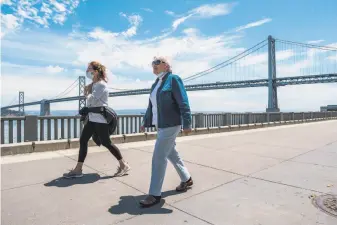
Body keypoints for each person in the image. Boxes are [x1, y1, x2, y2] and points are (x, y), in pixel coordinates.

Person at [139, 56, 193, 208]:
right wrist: (145, 121)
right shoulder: (156, 83)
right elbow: (151, 106)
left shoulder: (173, 79)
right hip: (161, 125)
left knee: (158, 157)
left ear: (167, 65)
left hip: (171, 124)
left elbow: (183, 102)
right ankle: (186, 178)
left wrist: (187, 123)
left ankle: (154, 194)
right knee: (171, 153)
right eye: (152, 63)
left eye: (157, 62)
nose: (154, 65)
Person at [63, 61, 131, 178]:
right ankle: (78, 169)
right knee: (83, 140)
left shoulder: (100, 84)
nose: (87, 71)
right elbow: (92, 102)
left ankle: (123, 165)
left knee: (106, 143)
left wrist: (86, 93)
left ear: (96, 71)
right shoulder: (95, 85)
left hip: (100, 119)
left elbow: (92, 101)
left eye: (89, 69)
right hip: (92, 119)